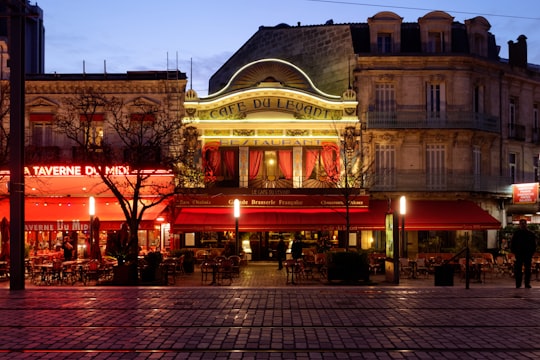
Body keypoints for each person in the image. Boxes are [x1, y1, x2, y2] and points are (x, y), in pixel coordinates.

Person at [511, 219, 537, 288]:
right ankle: (519, 283)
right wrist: (515, 252)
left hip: (526, 254)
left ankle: (525, 283)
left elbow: (533, 245)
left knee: (527, 270)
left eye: (524, 224)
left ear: (526, 224)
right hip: (520, 254)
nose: (523, 225)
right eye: (521, 224)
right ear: (520, 225)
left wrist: (531, 253)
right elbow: (513, 244)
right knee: (519, 269)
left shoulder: (530, 234)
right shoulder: (517, 234)